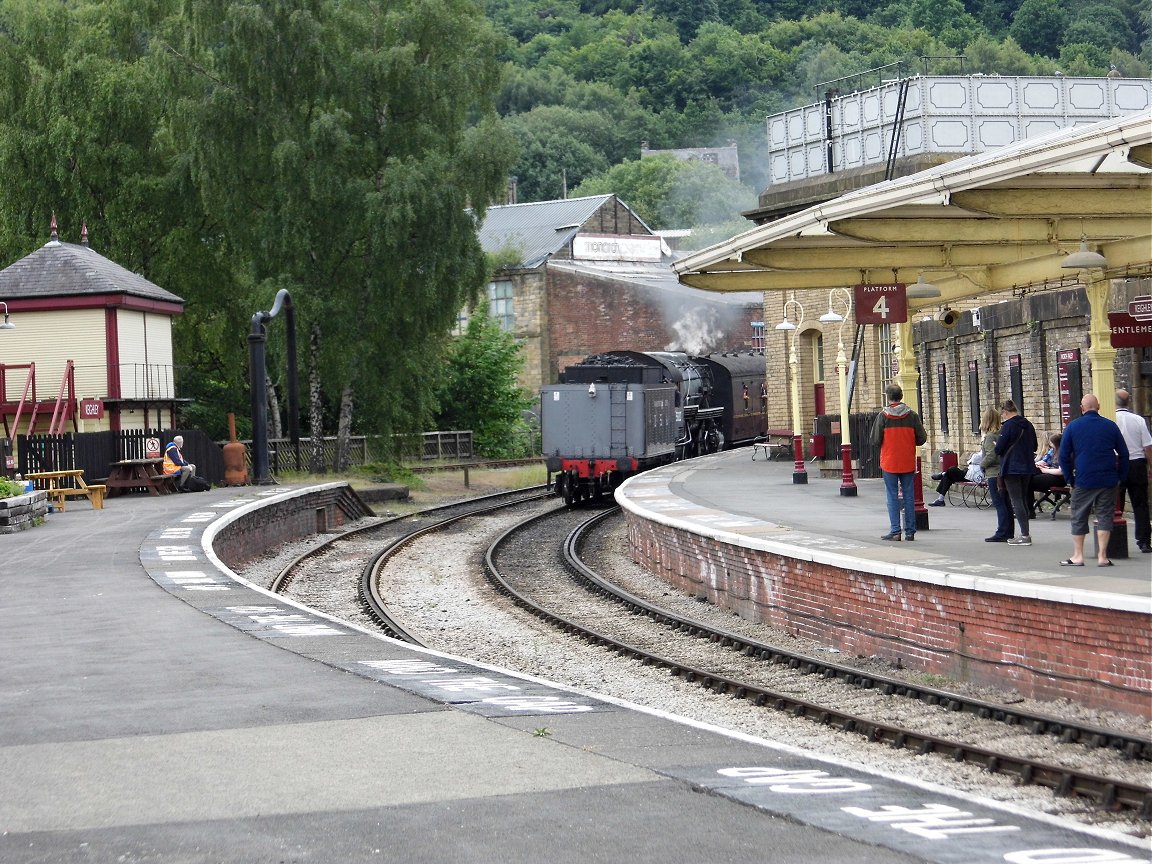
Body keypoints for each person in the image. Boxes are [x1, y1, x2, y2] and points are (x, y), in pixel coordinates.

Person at [1058, 393, 1129, 567]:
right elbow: (1124, 453)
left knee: (1079, 516)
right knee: (1105, 515)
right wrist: (1121, 476)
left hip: (1083, 479)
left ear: (1082, 408)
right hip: (1108, 479)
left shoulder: (1073, 427)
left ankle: (1078, 556)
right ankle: (1103, 557)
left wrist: (1069, 478)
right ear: (1099, 407)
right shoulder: (1110, 426)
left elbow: (1063, 456)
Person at [872, 384, 927, 541]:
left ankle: (895, 530)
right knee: (909, 495)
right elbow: (922, 438)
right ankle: (910, 531)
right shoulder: (912, 416)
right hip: (907, 460)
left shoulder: (883, 416)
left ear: (888, 397)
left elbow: (875, 440)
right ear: (901, 396)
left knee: (892, 496)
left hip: (889, 461)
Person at [994, 400, 1038, 546]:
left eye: (1002, 414)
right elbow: (1035, 446)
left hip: (1011, 467)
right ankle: (1025, 532)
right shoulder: (1028, 425)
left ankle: (1025, 535)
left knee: (1016, 500)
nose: (1002, 416)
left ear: (1005, 412)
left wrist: (997, 446)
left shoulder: (1008, 426)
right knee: (1023, 499)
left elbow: (999, 448)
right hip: (1027, 466)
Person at [1114, 389, 1152, 554]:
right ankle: (1144, 541)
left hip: (1116, 463)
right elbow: (1148, 447)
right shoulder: (1138, 420)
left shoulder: (1109, 419)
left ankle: (1113, 538)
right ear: (1129, 402)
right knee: (1140, 504)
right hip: (1137, 465)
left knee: (1115, 503)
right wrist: (1151, 466)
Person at [978, 407, 1013, 543]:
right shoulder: (1001, 434)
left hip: (994, 473)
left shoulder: (990, 436)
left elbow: (991, 455)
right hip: (1004, 471)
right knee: (1006, 503)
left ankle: (1002, 531)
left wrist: (982, 465)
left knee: (999, 503)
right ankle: (1009, 531)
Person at [1030, 432, 1066, 515]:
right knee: (1027, 477)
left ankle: (1030, 508)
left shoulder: (1063, 453)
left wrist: (1046, 470)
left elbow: (1061, 471)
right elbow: (1044, 461)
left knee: (1031, 481)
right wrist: (1040, 465)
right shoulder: (1052, 451)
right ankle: (1028, 507)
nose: (1050, 445)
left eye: (1052, 443)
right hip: (1049, 472)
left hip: (1059, 477)